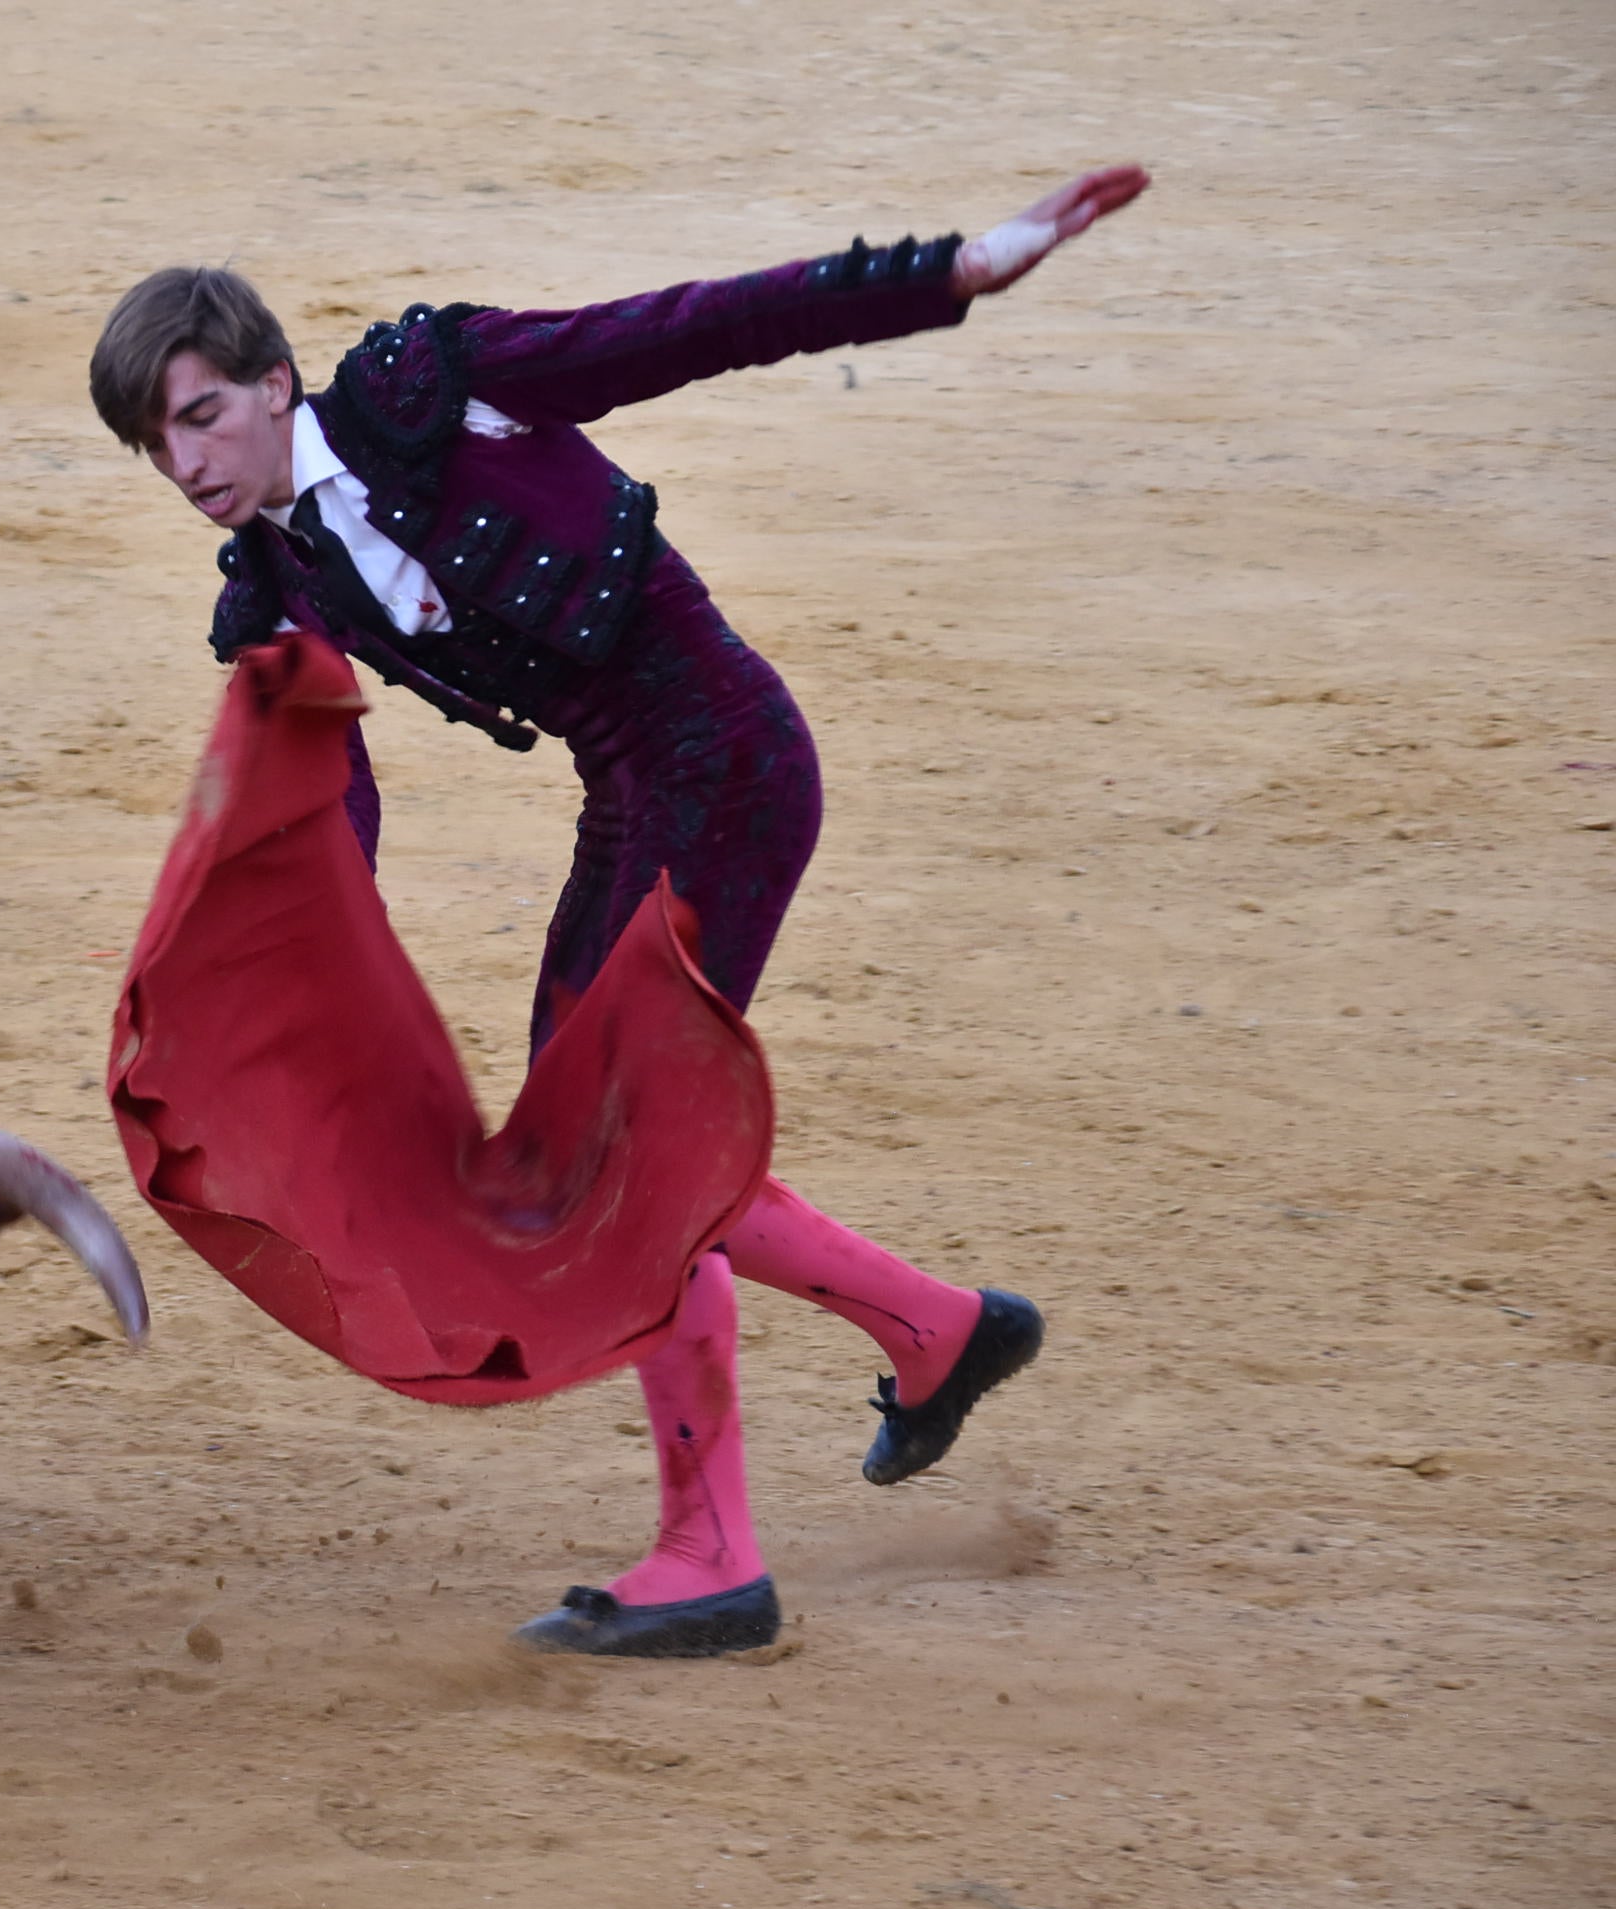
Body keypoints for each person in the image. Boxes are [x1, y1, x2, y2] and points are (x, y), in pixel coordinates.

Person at [89, 166, 1147, 1657]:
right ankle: (935, 1333)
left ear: (273, 384)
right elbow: (320, 805)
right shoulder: (276, 585)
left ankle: (717, 1544)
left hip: (725, 760)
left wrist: (952, 270)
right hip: (628, 799)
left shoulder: (433, 389)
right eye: (153, 442)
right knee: (583, 1167)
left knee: (614, 1162)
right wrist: (300, 996)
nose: (181, 460)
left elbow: (686, 329)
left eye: (198, 415)